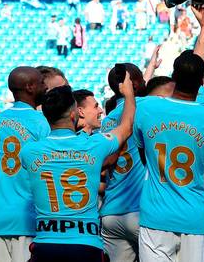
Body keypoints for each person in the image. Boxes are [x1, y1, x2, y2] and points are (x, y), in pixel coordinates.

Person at [21, 78, 135, 262]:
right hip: (86, 245)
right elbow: (126, 127)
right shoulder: (94, 144)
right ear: (74, 114)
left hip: (46, 245)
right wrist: (129, 94)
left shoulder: (29, 151)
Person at [133, 50, 204, 262]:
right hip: (194, 216)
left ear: (173, 76)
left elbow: (144, 155)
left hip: (155, 216)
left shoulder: (147, 108)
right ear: (202, 81)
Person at [0, 66, 49, 262]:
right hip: (27, 218)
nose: (45, 86)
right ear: (30, 87)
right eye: (41, 82)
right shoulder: (40, 122)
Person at [99, 64, 147, 262]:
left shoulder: (107, 120)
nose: (146, 81)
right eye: (142, 78)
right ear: (133, 84)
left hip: (111, 213)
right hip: (140, 211)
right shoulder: (146, 107)